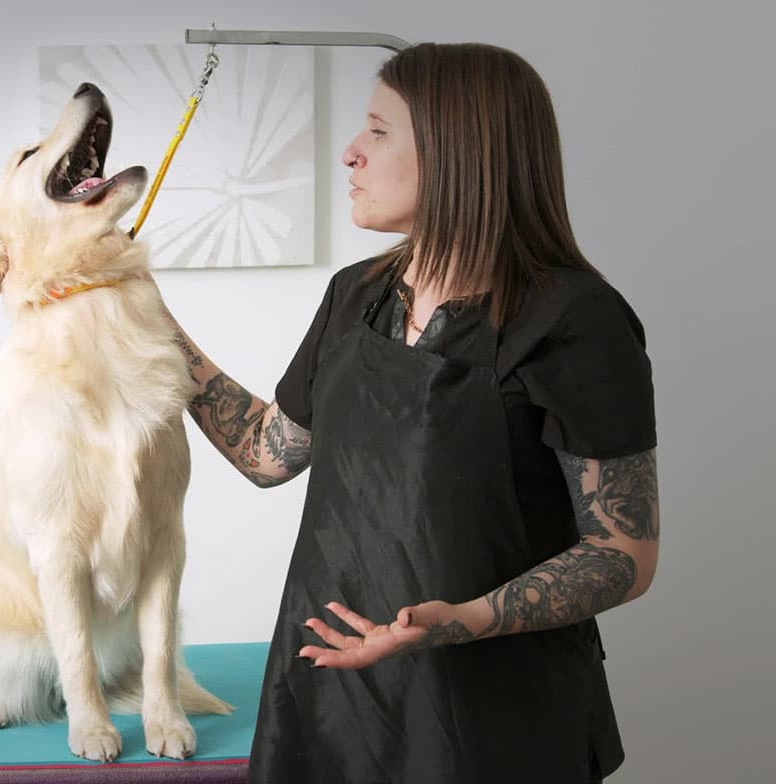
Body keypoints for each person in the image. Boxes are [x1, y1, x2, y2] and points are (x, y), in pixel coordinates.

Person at [152, 42, 659, 783]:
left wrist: (462, 618)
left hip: (494, 716)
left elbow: (624, 554)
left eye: (378, 131)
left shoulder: (575, 320)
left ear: (460, 151)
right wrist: (149, 326)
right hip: (332, 694)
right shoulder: (355, 295)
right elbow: (269, 452)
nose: (351, 153)